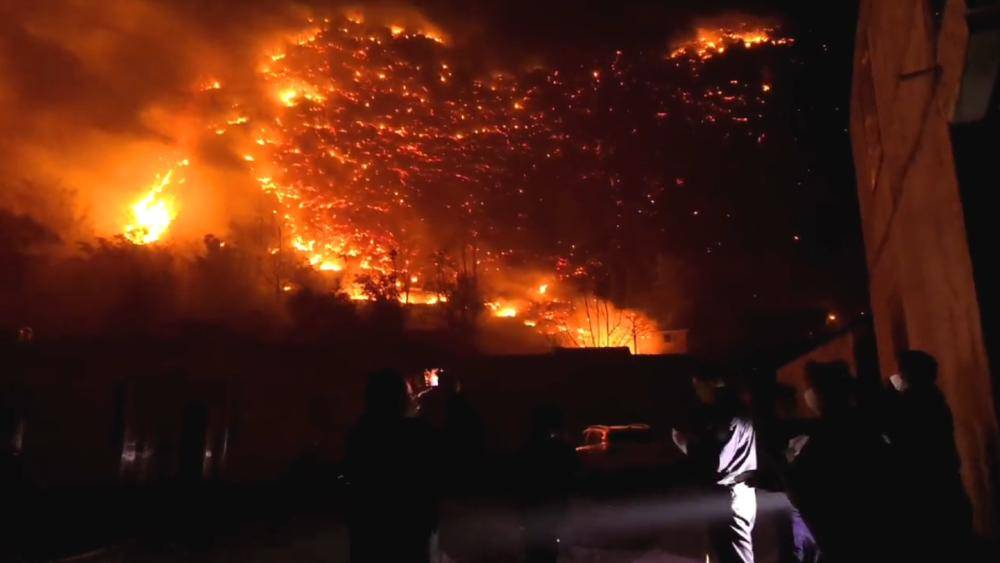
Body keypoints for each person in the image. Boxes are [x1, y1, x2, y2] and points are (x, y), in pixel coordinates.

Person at [785, 361, 898, 563]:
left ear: (822, 393)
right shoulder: (867, 430)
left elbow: (802, 490)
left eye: (811, 387)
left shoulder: (824, 438)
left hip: (845, 544)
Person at [344, 370, 439, 563]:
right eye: (408, 393)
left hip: (368, 527)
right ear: (400, 398)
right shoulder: (415, 434)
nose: (412, 396)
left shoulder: (360, 432)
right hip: (408, 527)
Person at [885, 350, 972, 556]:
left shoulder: (911, 402)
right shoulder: (935, 397)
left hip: (925, 493)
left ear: (908, 374)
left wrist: (890, 396)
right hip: (946, 487)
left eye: (901, 371)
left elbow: (896, 437)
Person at [673, 372, 757, 563]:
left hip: (731, 495)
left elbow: (716, 461)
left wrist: (684, 444)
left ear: (712, 384)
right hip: (735, 492)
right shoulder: (733, 411)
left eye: (699, 387)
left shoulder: (728, 416)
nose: (698, 393)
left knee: (736, 557)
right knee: (729, 553)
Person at [517, 405, 579, 563]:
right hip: (550, 509)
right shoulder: (560, 450)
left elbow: (519, 480)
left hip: (535, 510)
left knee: (536, 549)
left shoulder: (529, 449)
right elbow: (572, 475)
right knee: (546, 548)